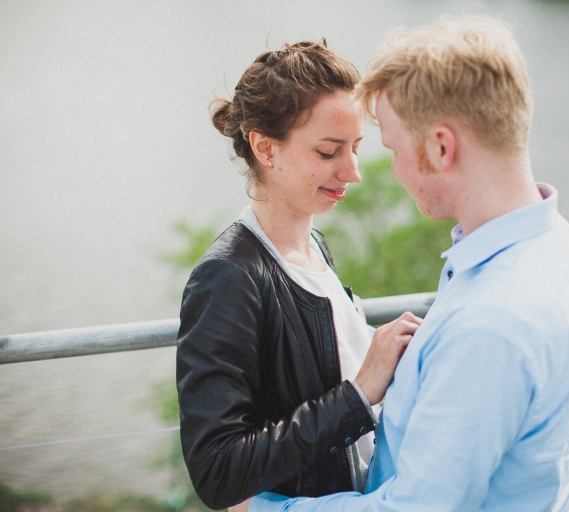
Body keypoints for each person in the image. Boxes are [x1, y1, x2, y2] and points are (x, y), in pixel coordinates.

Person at [249, 15, 569, 511]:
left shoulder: (490, 324)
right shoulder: (561, 245)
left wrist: (266, 510)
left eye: (394, 149)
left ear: (440, 147)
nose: (387, 170)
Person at [175, 40, 422, 511]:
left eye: (355, 148)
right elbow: (217, 471)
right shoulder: (228, 279)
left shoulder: (315, 248)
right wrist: (358, 395)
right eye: (329, 152)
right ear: (265, 147)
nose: (353, 172)